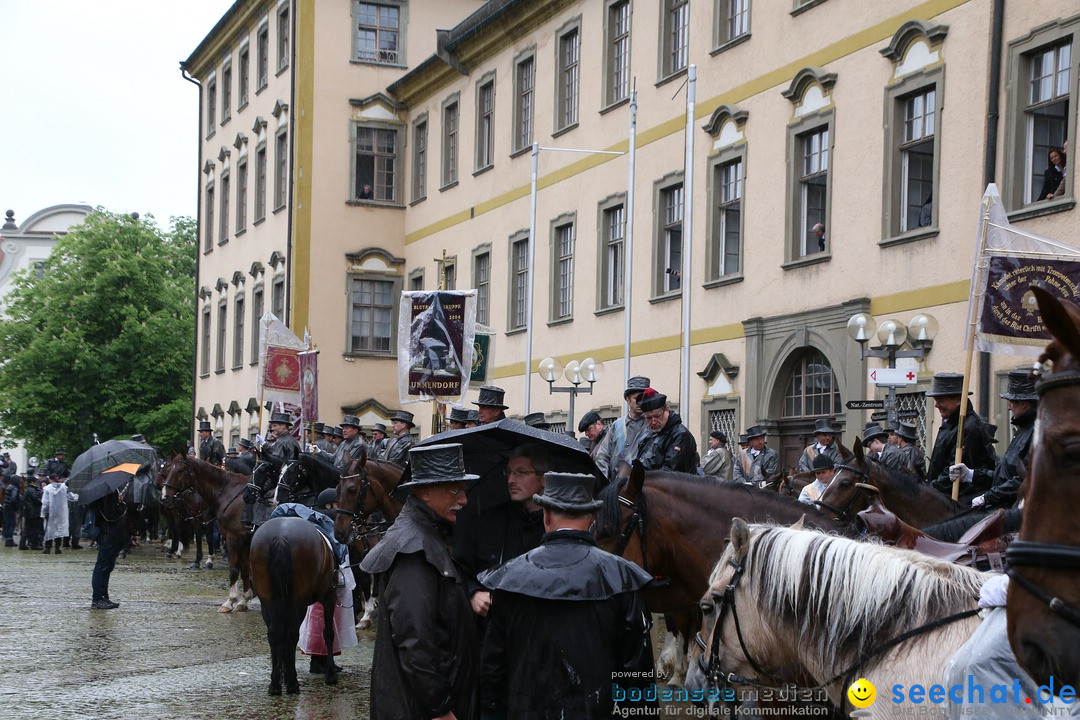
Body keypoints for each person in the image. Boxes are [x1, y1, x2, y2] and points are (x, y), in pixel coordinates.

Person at [478, 472, 655, 719]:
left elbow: (492, 675)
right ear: (593, 518)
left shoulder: (509, 580)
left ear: (546, 515)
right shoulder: (622, 579)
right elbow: (637, 678)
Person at [360, 443, 479, 720]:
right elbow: (415, 640)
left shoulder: (427, 536)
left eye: (463, 490)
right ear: (425, 492)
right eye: (455, 490)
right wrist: (440, 708)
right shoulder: (414, 550)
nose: (464, 500)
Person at [454, 443, 551, 620]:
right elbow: (459, 567)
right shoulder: (486, 522)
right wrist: (473, 592)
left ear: (543, 478)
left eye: (521, 472)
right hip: (491, 629)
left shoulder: (555, 526)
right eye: (509, 472)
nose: (511, 480)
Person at [953, 369, 1038, 510]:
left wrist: (988, 497)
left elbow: (1024, 481)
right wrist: (970, 474)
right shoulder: (1022, 430)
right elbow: (1003, 476)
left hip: (1012, 512)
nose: (1009, 406)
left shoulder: (1035, 432)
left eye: (1011, 401)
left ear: (1024, 404)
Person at [925, 373, 997, 506]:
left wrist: (929, 491)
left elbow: (954, 471)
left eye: (941, 400)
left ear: (958, 400)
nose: (936, 405)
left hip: (960, 503)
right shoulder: (952, 422)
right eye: (936, 400)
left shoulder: (967, 427)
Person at [598, 375, 651, 482]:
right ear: (628, 400)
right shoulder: (617, 425)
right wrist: (604, 482)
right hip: (614, 486)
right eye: (637, 398)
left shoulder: (651, 425)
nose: (641, 402)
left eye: (644, 398)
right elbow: (602, 456)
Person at [634, 388, 699, 473]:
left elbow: (670, 471)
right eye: (649, 418)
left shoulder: (681, 435)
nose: (653, 422)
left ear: (667, 410)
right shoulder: (648, 434)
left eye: (657, 416)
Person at [90, 487, 126, 609]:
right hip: (107, 533)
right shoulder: (105, 492)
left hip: (109, 533)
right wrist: (121, 505)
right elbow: (111, 515)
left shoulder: (107, 490)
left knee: (107, 566)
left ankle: (103, 596)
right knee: (102, 566)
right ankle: (98, 598)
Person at [41, 473, 76, 554]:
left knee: (49, 529)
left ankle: (47, 548)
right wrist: (76, 496)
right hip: (61, 512)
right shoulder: (64, 488)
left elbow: (45, 502)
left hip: (50, 512)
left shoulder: (47, 489)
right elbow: (72, 497)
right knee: (59, 529)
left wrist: (43, 513)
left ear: (50, 479)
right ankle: (57, 548)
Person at [577, 410, 609, 478]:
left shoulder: (609, 439)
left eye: (589, 429)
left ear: (599, 424)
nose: (586, 434)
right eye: (585, 431)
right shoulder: (593, 443)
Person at [18, 469, 44, 550]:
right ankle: (34, 545)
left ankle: (22, 544)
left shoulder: (27, 489)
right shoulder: (32, 489)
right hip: (34, 512)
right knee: (34, 529)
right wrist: (41, 501)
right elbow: (36, 499)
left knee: (26, 529)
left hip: (28, 512)